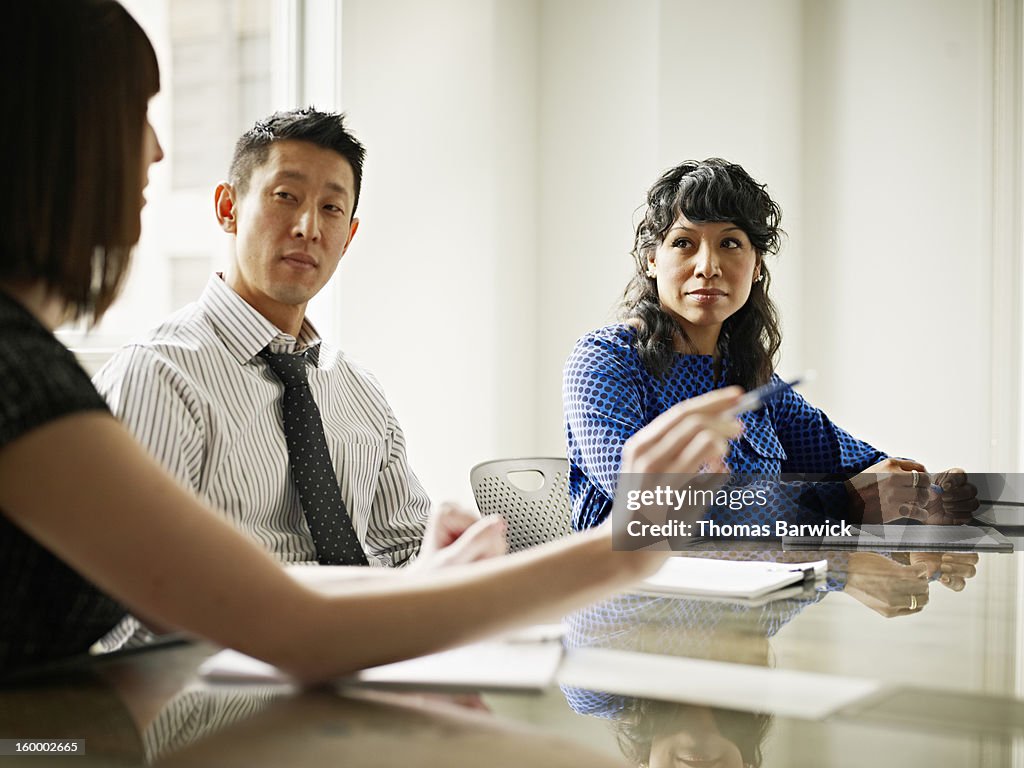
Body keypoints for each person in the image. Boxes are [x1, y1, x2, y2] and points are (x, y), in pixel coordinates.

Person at [0, 0, 743, 679]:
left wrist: (432, 569)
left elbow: (291, 584)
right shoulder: (63, 379)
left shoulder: (352, 391)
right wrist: (623, 546)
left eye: (331, 208)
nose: (159, 151)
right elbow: (247, 616)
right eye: (135, 111)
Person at [93, 108, 430, 572]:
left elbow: (410, 551)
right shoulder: (158, 377)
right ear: (228, 208)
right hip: (228, 641)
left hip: (371, 638)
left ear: (348, 236)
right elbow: (141, 590)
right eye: (286, 196)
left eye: (331, 208)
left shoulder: (361, 394)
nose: (308, 227)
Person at [563, 159, 977, 531]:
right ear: (652, 259)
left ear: (757, 265)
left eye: (729, 243)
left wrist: (927, 493)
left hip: (757, 597)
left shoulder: (750, 377)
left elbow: (856, 465)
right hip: (634, 602)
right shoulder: (605, 361)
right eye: (683, 242)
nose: (707, 267)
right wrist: (844, 502)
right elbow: (652, 504)